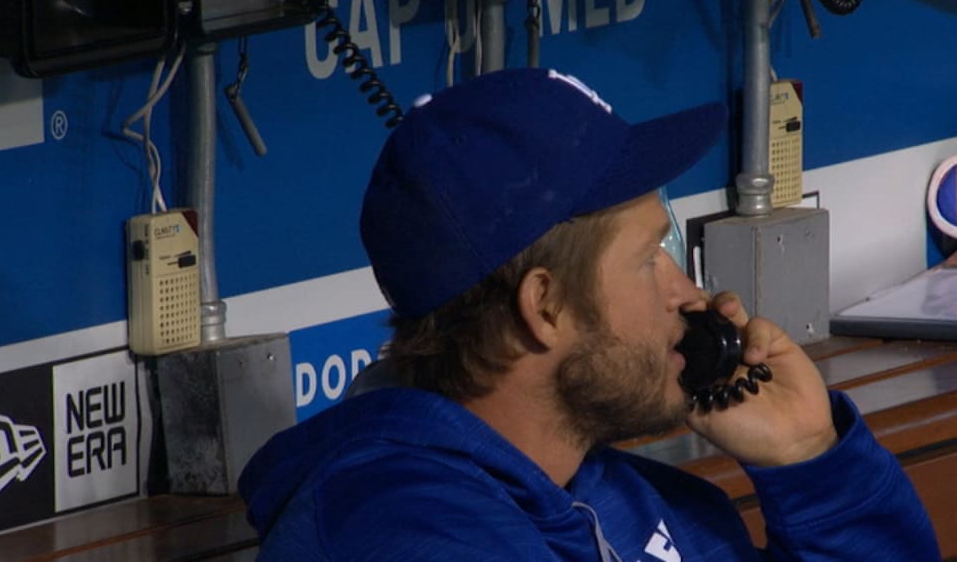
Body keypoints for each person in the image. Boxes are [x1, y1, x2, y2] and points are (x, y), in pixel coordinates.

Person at [239, 68, 940, 561]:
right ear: (544, 307)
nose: (690, 297)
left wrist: (812, 461)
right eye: (649, 259)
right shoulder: (399, 535)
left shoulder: (635, 498)